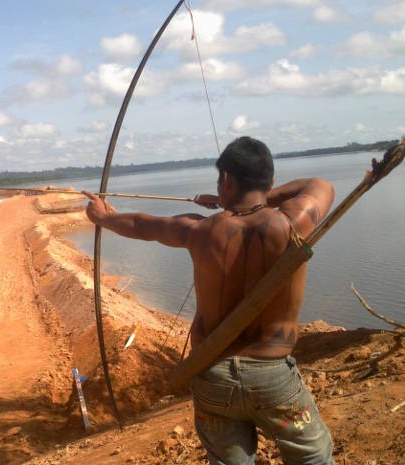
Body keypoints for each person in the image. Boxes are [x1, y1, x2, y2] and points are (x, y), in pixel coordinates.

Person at [83, 136, 336, 465]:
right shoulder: (292, 224)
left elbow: (141, 225)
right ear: (270, 182)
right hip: (273, 378)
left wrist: (101, 217)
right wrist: (254, 197)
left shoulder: (198, 231)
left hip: (212, 377)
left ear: (226, 180)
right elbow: (320, 184)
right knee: (313, 457)